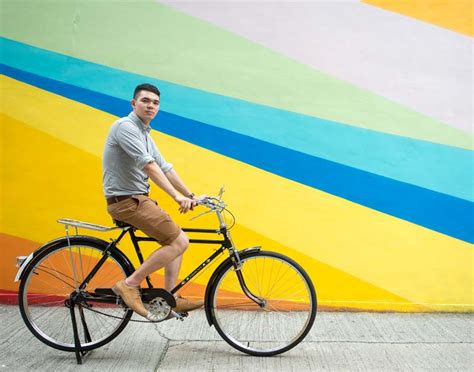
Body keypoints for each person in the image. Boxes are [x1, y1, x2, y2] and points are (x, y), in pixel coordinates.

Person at [103, 83, 204, 321]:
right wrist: (175, 197)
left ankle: (168, 299)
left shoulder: (144, 133)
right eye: (146, 101)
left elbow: (165, 167)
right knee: (179, 241)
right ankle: (130, 284)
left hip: (137, 199)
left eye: (155, 103)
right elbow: (148, 165)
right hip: (127, 201)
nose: (151, 106)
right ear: (134, 103)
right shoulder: (125, 127)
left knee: (175, 239)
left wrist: (190, 195)